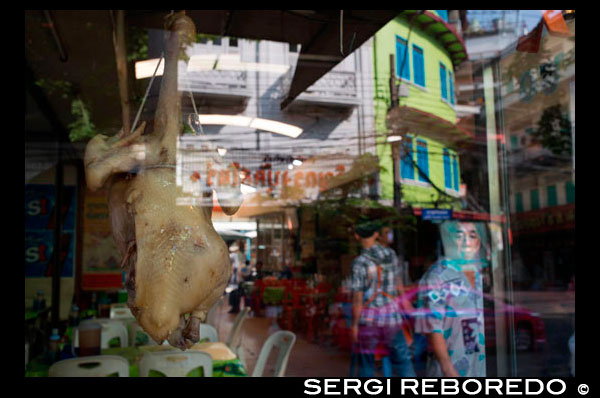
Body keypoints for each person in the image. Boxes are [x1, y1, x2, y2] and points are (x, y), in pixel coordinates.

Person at [414, 221, 489, 377]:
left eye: (472, 236)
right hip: (449, 368)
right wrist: (447, 368)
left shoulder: (475, 273)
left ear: (478, 242)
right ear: (449, 241)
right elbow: (433, 327)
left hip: (475, 363)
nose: (466, 241)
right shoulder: (437, 276)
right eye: (459, 236)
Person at [349, 219, 416, 377]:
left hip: (369, 320)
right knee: (402, 361)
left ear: (357, 236)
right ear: (377, 234)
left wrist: (354, 325)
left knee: (367, 364)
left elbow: (358, 298)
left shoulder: (359, 263)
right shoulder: (391, 255)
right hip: (392, 318)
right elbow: (398, 284)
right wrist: (407, 307)